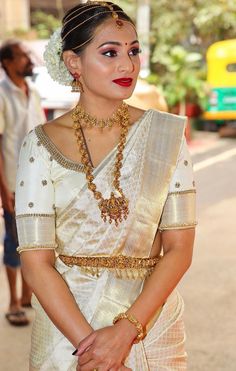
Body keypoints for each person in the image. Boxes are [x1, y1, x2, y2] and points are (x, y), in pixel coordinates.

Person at [15, 1, 197, 370]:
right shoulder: (41, 144)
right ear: (73, 63)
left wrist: (125, 333)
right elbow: (36, 262)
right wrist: (93, 349)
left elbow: (179, 249)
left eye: (133, 51)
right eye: (110, 52)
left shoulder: (166, 137)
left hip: (150, 325)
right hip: (66, 330)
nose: (127, 65)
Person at [0, 40, 45, 326]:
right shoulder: (1, 95)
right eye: (21, 56)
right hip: (14, 183)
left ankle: (29, 296)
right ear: (6, 62)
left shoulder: (34, 93)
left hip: (37, 180)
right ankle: (13, 301)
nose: (28, 60)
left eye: (29, 55)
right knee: (14, 240)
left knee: (34, 240)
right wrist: (4, 191)